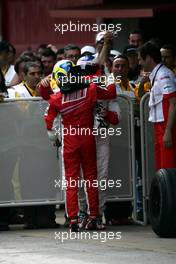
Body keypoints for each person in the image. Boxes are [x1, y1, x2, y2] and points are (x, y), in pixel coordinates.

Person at [40, 59, 116, 231]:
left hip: (70, 142)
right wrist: (107, 75)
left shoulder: (56, 98)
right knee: (91, 179)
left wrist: (54, 139)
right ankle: (94, 217)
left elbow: (49, 123)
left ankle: (73, 220)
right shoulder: (90, 90)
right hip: (88, 139)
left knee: (71, 181)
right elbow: (111, 92)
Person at [138, 41, 176, 170]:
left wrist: (168, 131)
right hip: (160, 128)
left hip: (166, 127)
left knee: (168, 170)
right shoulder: (156, 75)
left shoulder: (164, 75)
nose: (139, 63)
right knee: (161, 170)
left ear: (148, 57)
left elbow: (173, 103)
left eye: (140, 59)